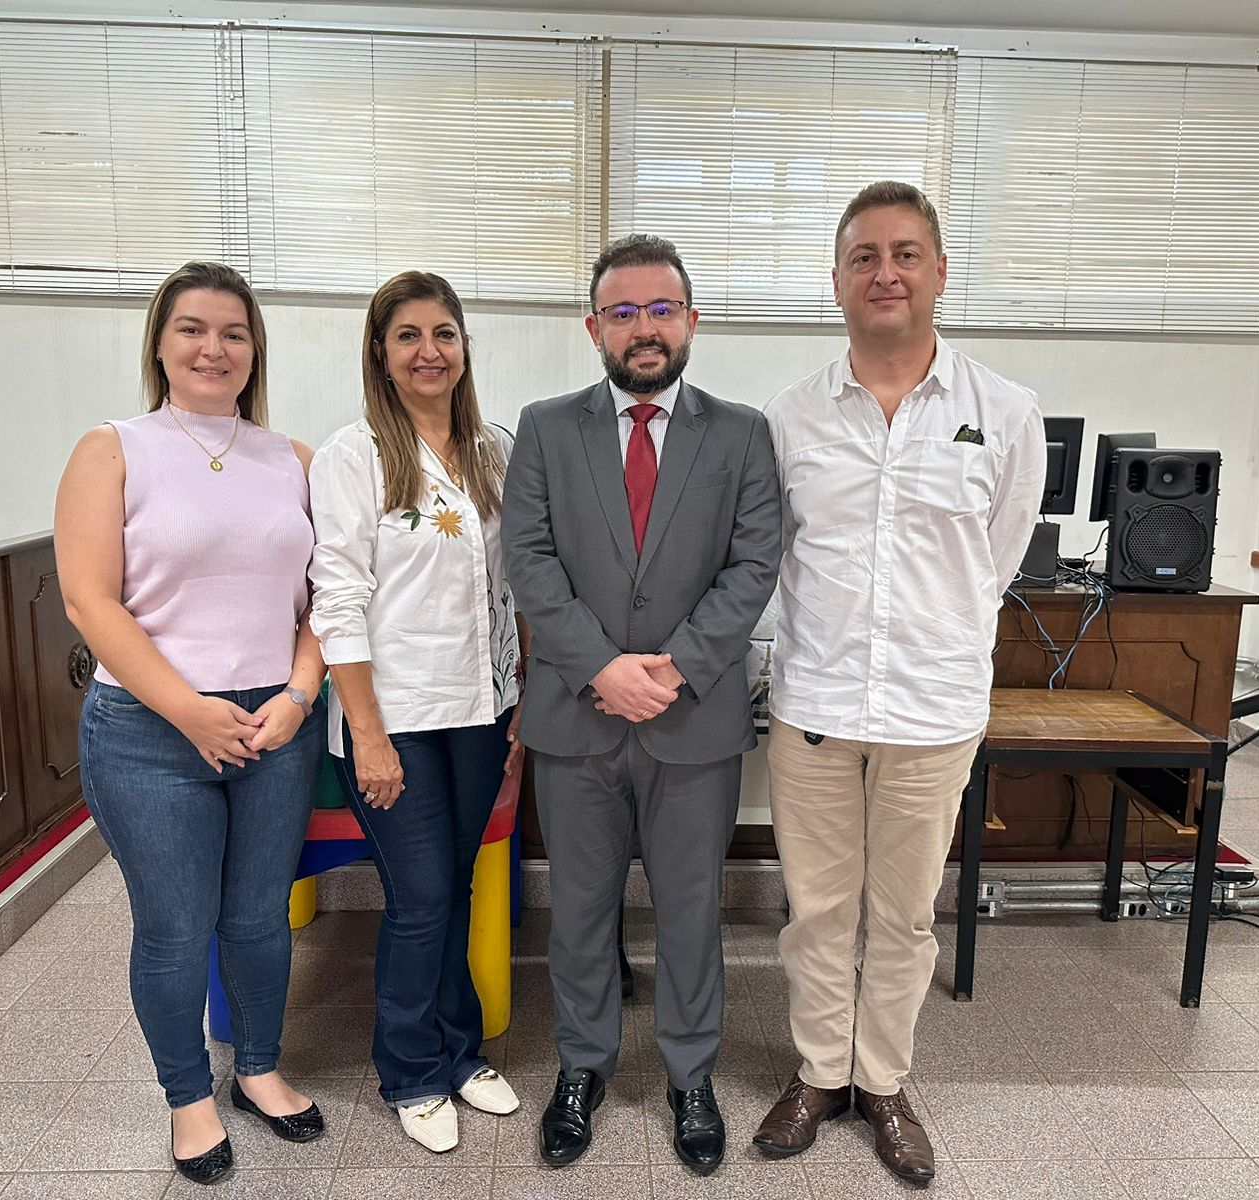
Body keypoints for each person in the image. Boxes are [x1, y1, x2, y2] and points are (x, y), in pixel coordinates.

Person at [752, 181, 1046, 1184]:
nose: (886, 271)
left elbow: (995, 560)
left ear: (938, 273)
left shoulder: (1004, 413)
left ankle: (882, 1080)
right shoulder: (788, 419)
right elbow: (777, 559)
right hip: (816, 705)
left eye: (906, 253)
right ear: (836, 282)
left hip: (933, 708)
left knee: (905, 913)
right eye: (864, 255)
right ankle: (818, 1072)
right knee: (817, 908)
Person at [502, 234, 782, 1176]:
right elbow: (529, 563)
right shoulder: (544, 428)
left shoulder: (741, 433)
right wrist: (600, 668)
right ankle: (580, 1068)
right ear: (594, 329)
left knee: (692, 907)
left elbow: (754, 565)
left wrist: (675, 668)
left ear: (692, 321)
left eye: (662, 309)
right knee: (579, 909)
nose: (644, 328)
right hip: (578, 717)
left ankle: (690, 1076)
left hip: (691, 717)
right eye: (622, 312)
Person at [57, 261, 327, 1187]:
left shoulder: (293, 459)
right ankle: (188, 1097)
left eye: (234, 333)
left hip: (275, 728)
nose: (214, 348)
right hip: (149, 731)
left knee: (259, 919)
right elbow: (91, 602)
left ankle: (257, 1068)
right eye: (192, 329)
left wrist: (294, 698)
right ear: (161, 343)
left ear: (255, 352)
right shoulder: (114, 447)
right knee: (175, 928)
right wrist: (189, 710)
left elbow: (329, 601)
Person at [308, 271, 523, 1154]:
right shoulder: (352, 455)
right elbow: (337, 600)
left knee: (456, 886)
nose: (428, 350)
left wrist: (522, 705)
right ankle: (411, 1070)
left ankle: (460, 1051)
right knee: (421, 896)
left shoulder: (495, 449)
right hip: (390, 715)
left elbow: (519, 587)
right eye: (408, 335)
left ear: (464, 346)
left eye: (444, 332)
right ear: (380, 352)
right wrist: (367, 734)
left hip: (481, 709)